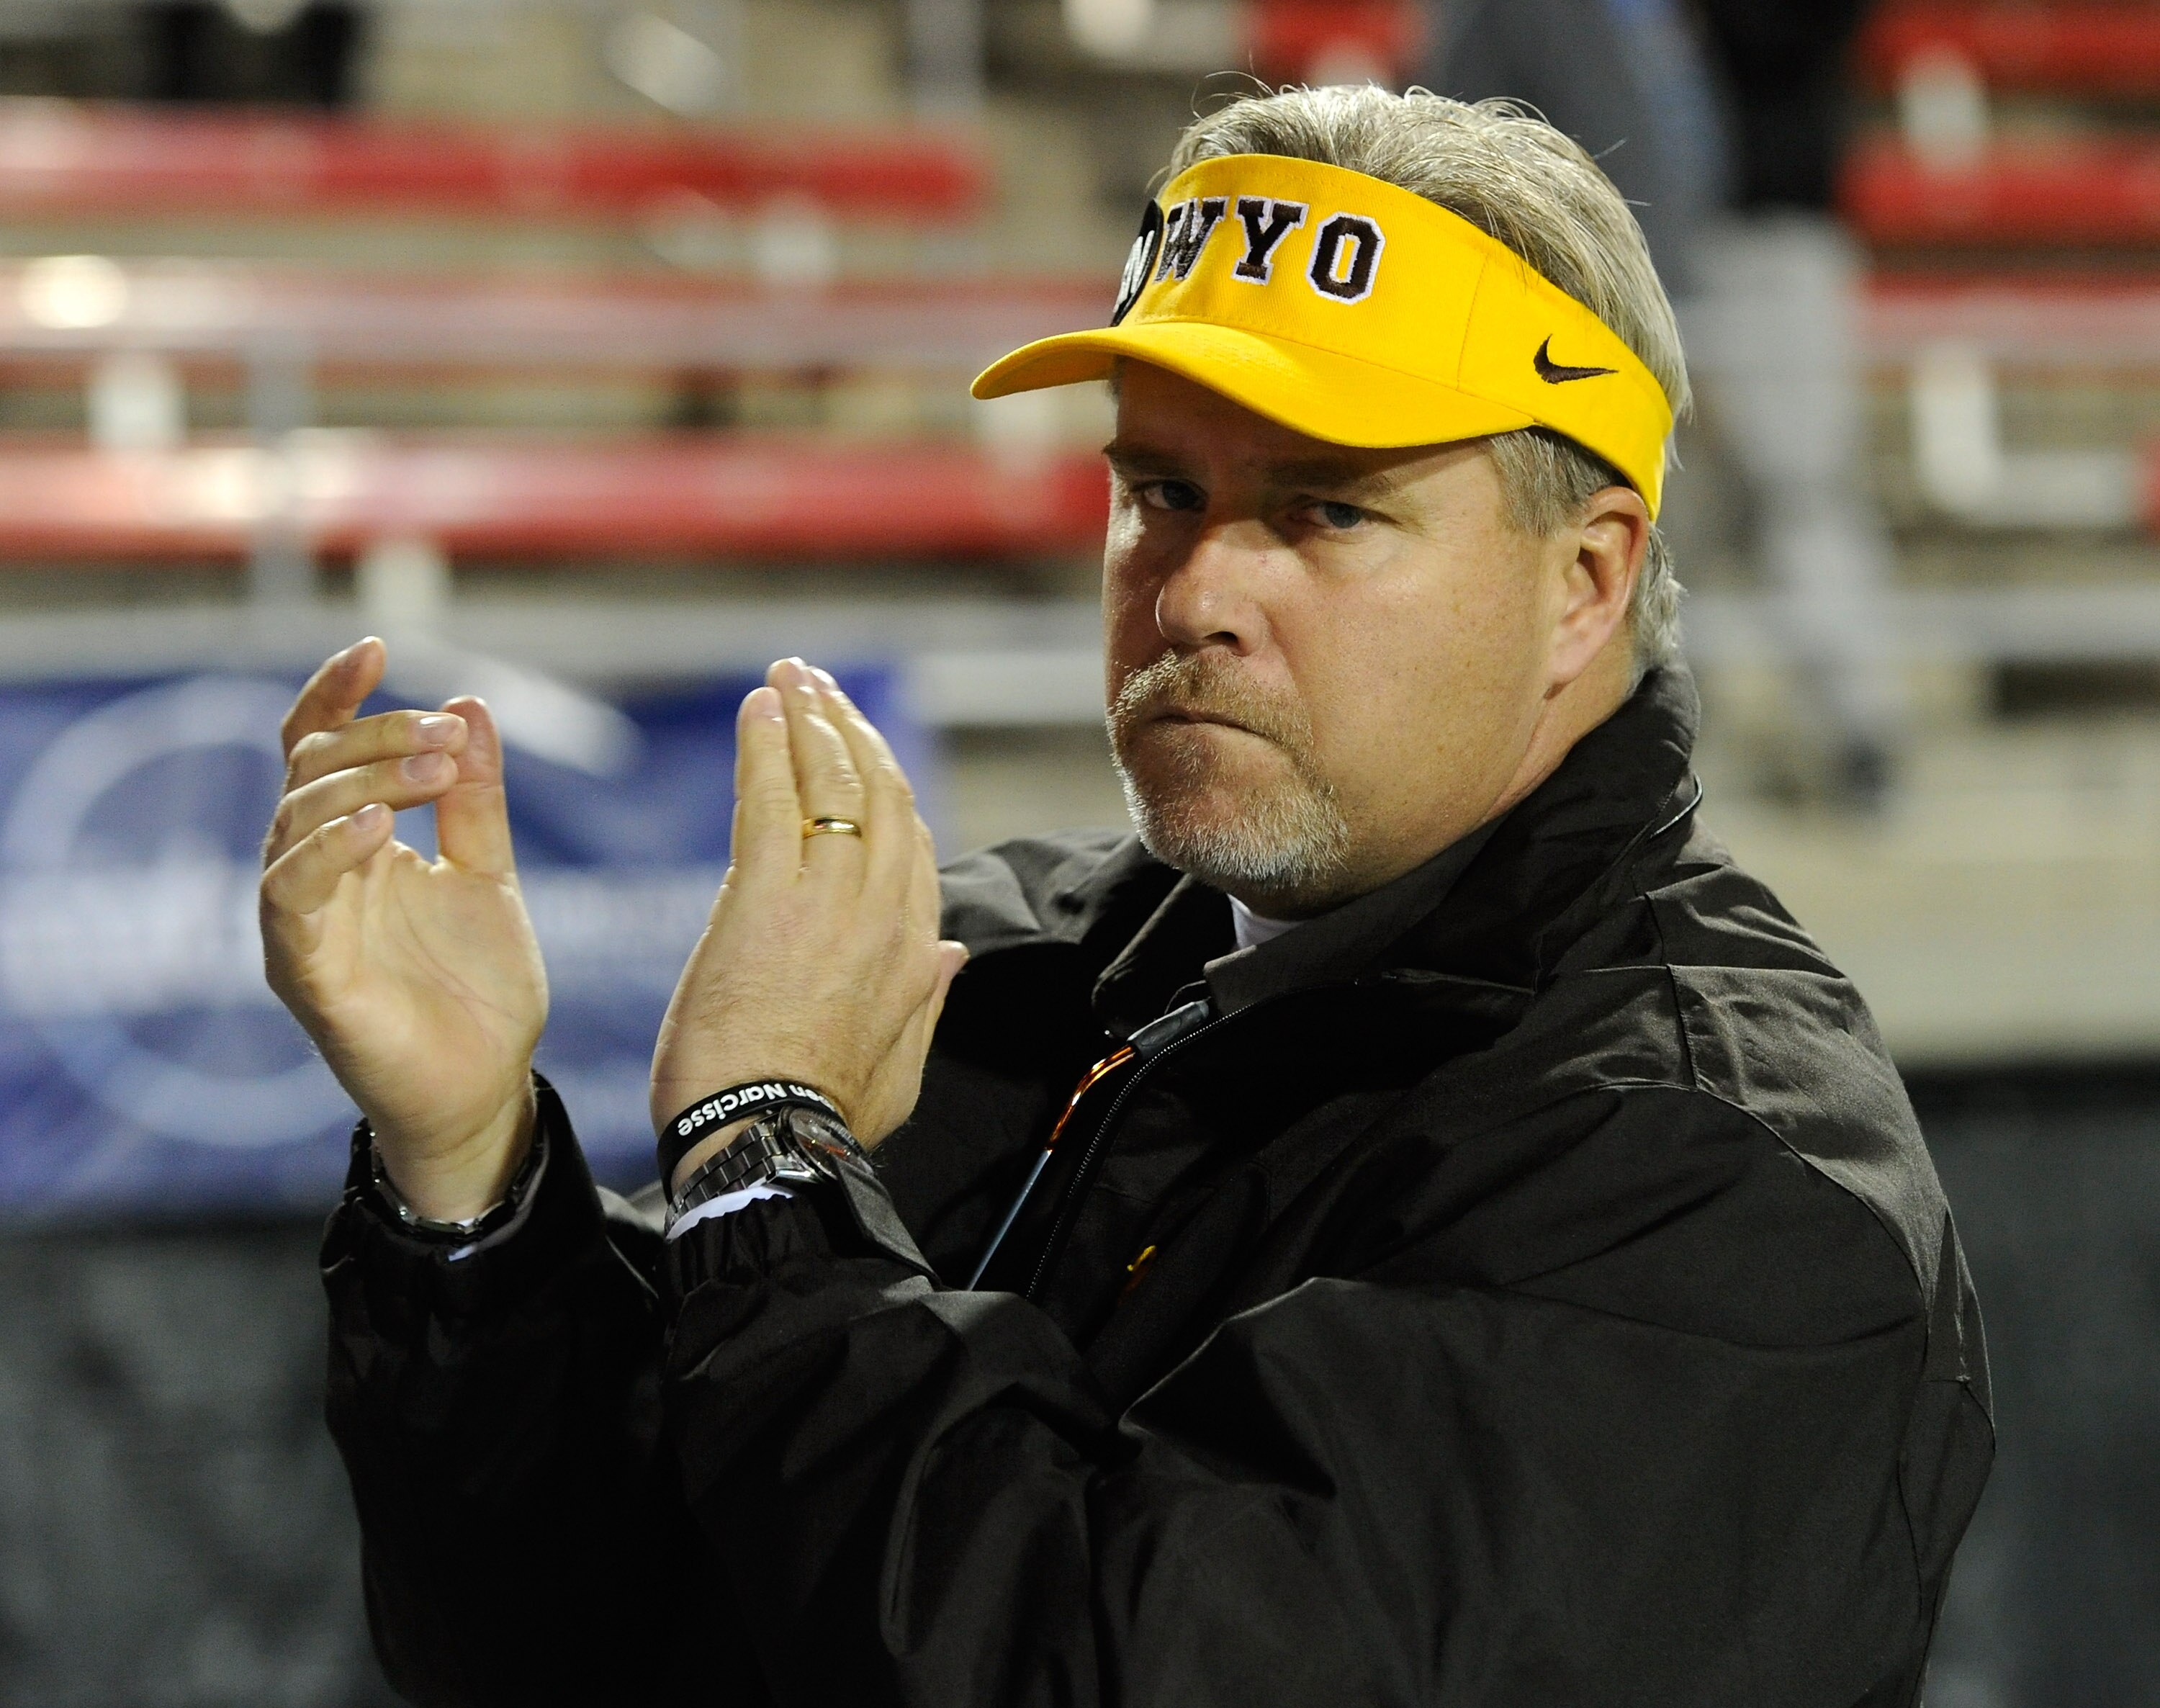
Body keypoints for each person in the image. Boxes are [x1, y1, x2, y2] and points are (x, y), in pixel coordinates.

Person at [265, 89, 1992, 1706]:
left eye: (1324, 509)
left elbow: (1124, 1660)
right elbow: (557, 1639)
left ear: (1583, 581)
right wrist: (471, 1181)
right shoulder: (999, 961)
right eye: (1159, 489)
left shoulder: (1716, 1171)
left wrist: (768, 1159)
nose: (1194, 591)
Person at [1429, 0, 1906, 804]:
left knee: (1797, 490)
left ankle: (1855, 726)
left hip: (1752, 243)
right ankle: (1663, 739)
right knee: (1670, 513)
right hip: (1653, 268)